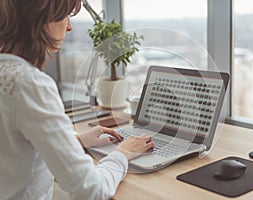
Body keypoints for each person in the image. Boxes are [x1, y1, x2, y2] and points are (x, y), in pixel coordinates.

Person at [0, 0, 155, 199]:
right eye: (65, 16)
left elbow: (12, 149)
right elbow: (93, 191)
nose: (70, 26)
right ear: (41, 17)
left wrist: (75, 142)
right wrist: (123, 153)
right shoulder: (30, 85)